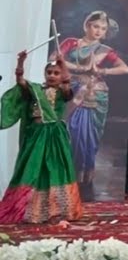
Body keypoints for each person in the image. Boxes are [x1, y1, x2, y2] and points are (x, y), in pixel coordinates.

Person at [0, 52, 82, 223]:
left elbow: (68, 89)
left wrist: (63, 64)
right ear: (44, 74)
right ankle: (27, 209)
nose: (52, 75)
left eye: (56, 73)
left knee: (56, 168)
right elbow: (21, 82)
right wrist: (21, 62)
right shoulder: (35, 89)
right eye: (49, 72)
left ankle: (57, 209)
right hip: (36, 134)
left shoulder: (63, 92)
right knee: (31, 167)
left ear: (61, 76)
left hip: (54, 136)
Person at [60, 10, 128, 199]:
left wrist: (101, 70)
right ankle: (67, 177)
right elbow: (55, 61)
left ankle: (85, 182)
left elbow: (125, 69)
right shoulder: (71, 43)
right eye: (96, 26)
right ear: (87, 25)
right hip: (71, 91)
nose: (99, 31)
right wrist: (81, 68)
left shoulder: (106, 51)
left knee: (87, 138)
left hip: (95, 95)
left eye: (103, 28)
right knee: (71, 133)